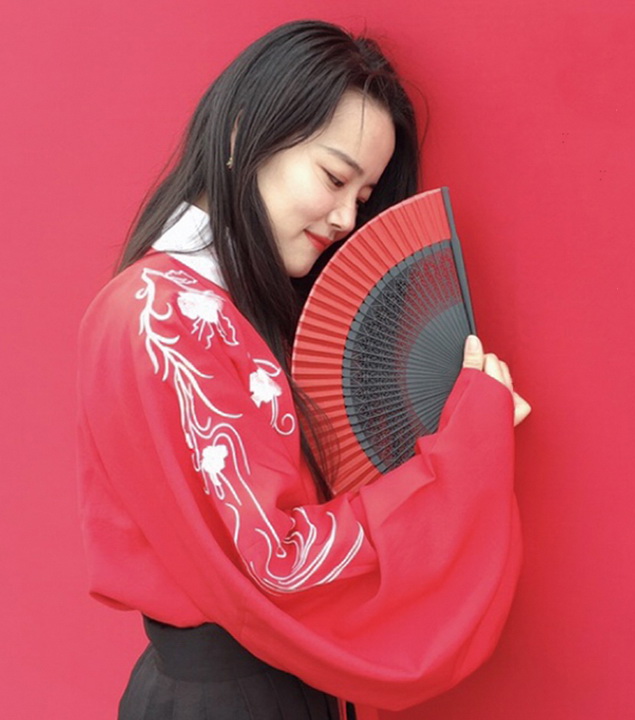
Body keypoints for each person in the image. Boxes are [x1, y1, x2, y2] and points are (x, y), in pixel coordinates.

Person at [77, 19, 530, 720]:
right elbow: (277, 559)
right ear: (242, 136)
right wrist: (464, 455)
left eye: (364, 196)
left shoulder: (228, 308)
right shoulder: (161, 313)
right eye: (334, 177)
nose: (347, 217)